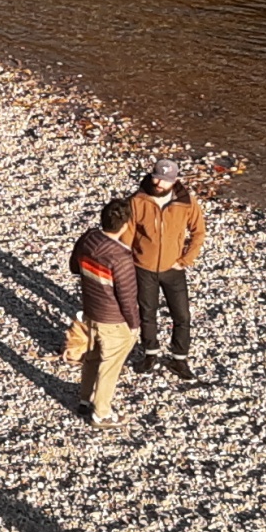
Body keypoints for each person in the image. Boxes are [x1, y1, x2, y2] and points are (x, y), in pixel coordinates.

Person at [126, 159, 206, 380]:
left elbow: (198, 232)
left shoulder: (186, 202)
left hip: (173, 269)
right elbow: (127, 235)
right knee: (147, 313)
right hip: (144, 268)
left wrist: (185, 260)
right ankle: (150, 353)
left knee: (182, 315)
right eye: (157, 177)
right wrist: (129, 261)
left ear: (175, 180)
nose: (159, 183)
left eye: (165, 180)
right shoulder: (137, 200)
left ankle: (179, 358)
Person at [68, 198, 141, 426]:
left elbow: (73, 267)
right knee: (110, 365)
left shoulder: (88, 238)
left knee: (92, 356)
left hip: (91, 311)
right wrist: (134, 324)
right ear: (126, 225)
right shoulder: (121, 257)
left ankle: (84, 399)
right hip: (113, 319)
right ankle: (102, 413)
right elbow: (127, 297)